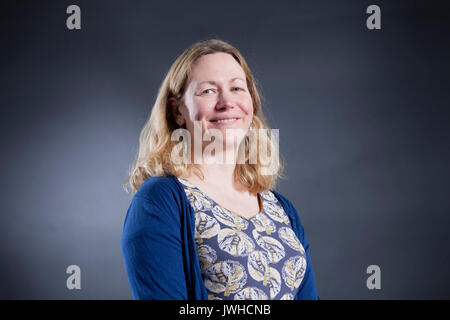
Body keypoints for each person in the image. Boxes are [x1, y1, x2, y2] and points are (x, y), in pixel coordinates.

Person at [121, 39, 320, 300]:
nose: (227, 102)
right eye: (207, 91)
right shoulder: (159, 201)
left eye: (237, 88)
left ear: (251, 102)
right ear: (177, 110)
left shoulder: (281, 209)